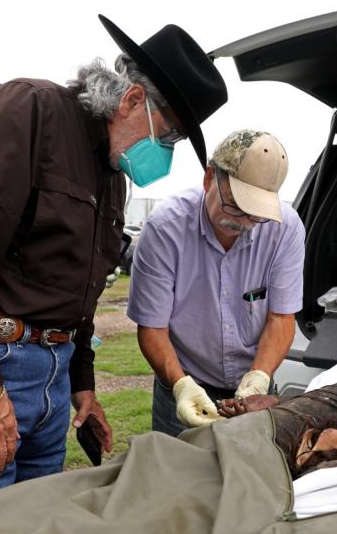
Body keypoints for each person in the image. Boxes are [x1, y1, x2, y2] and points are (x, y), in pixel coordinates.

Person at [0, 16, 228, 524]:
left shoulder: (112, 173)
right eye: (173, 136)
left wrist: (81, 384)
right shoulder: (28, 110)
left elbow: (76, 292)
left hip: (47, 381)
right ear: (133, 100)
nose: (168, 152)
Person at [127, 130, 306, 436]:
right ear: (210, 178)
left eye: (256, 214)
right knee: (177, 478)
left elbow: (281, 317)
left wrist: (259, 377)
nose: (243, 222)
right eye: (235, 206)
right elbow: (153, 328)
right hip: (183, 381)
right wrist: (181, 385)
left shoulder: (284, 229)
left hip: (253, 389)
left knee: (253, 477)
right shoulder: (165, 228)